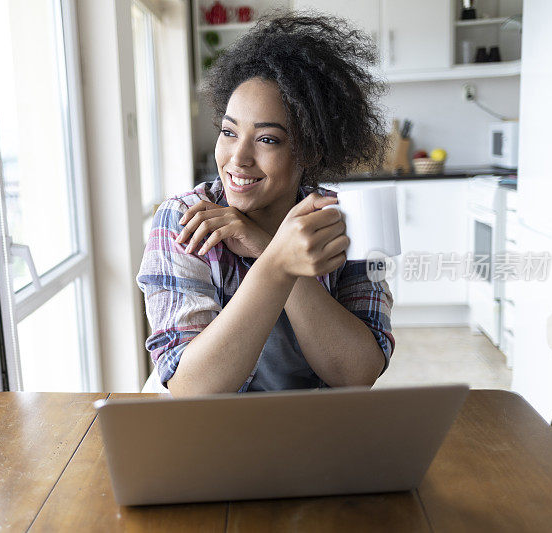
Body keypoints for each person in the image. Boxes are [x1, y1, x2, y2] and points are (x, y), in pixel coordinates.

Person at [137, 12, 394, 397]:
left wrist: (266, 248)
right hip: (214, 436)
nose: (237, 158)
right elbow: (192, 387)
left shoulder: (350, 222)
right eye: (229, 132)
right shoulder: (182, 219)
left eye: (267, 139)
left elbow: (358, 373)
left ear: (311, 149)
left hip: (318, 433)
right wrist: (276, 263)